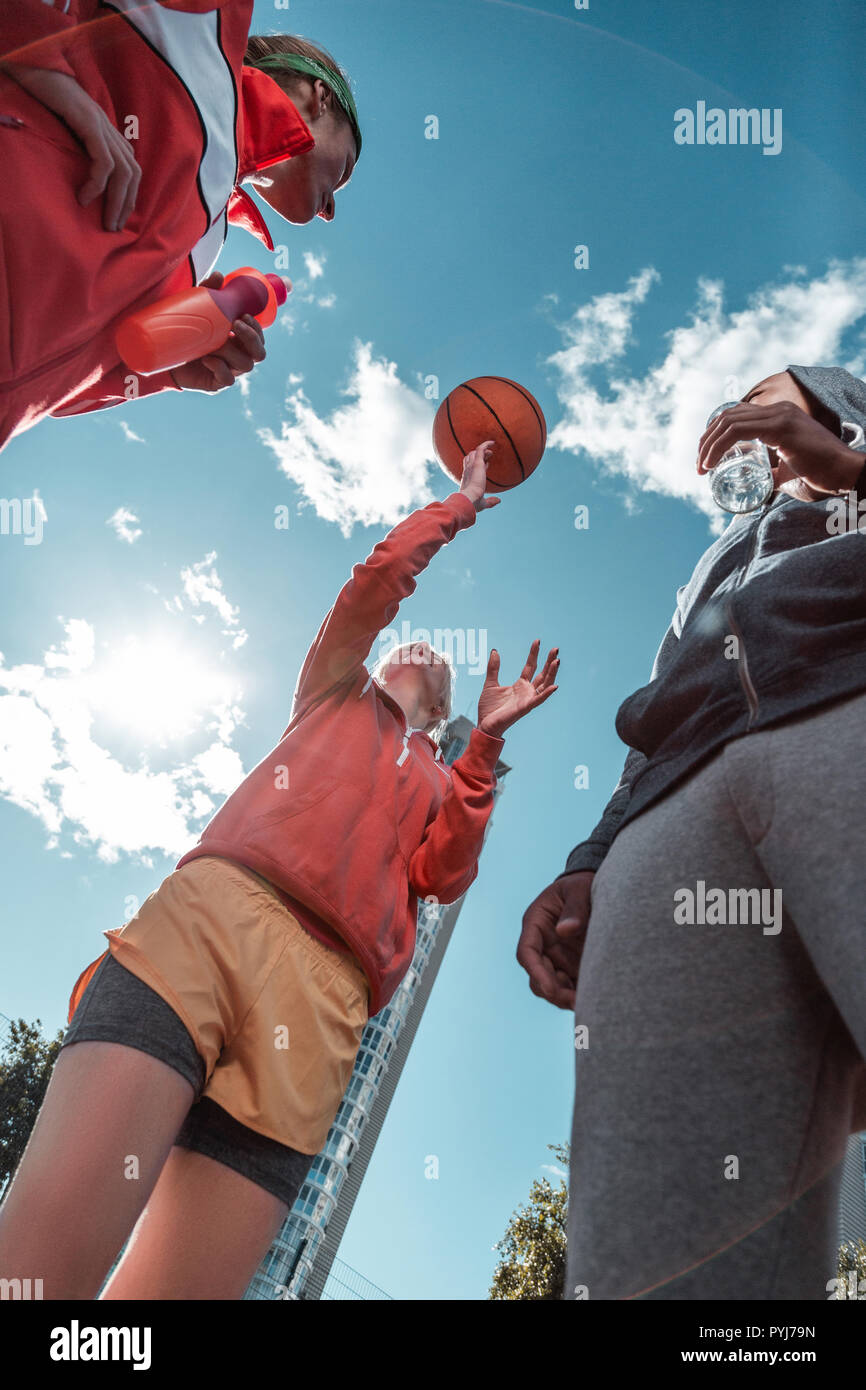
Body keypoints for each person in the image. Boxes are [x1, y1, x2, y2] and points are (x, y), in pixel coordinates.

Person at [0, 442, 559, 1300]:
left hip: (328, 997)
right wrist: (459, 507)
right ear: (384, 658)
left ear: (443, 709)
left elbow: (446, 875)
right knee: (38, 1270)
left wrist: (485, 744)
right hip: (215, 921)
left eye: (440, 669)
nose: (427, 656)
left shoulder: (446, 777)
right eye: (417, 647)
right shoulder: (334, 691)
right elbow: (374, 583)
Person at [519, 365, 866, 1300]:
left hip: (848, 723)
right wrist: (591, 860)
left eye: (774, 400)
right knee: (653, 1264)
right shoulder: (712, 563)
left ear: (839, 411)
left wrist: (853, 472)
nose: (748, 415)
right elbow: (652, 720)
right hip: (671, 819)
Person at [0, 5, 362, 451]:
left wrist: (165, 371)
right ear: (318, 97)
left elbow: (58, 388)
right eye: (343, 171)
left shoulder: (205, 246)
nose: (329, 212)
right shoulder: (202, 25)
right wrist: (42, 69)